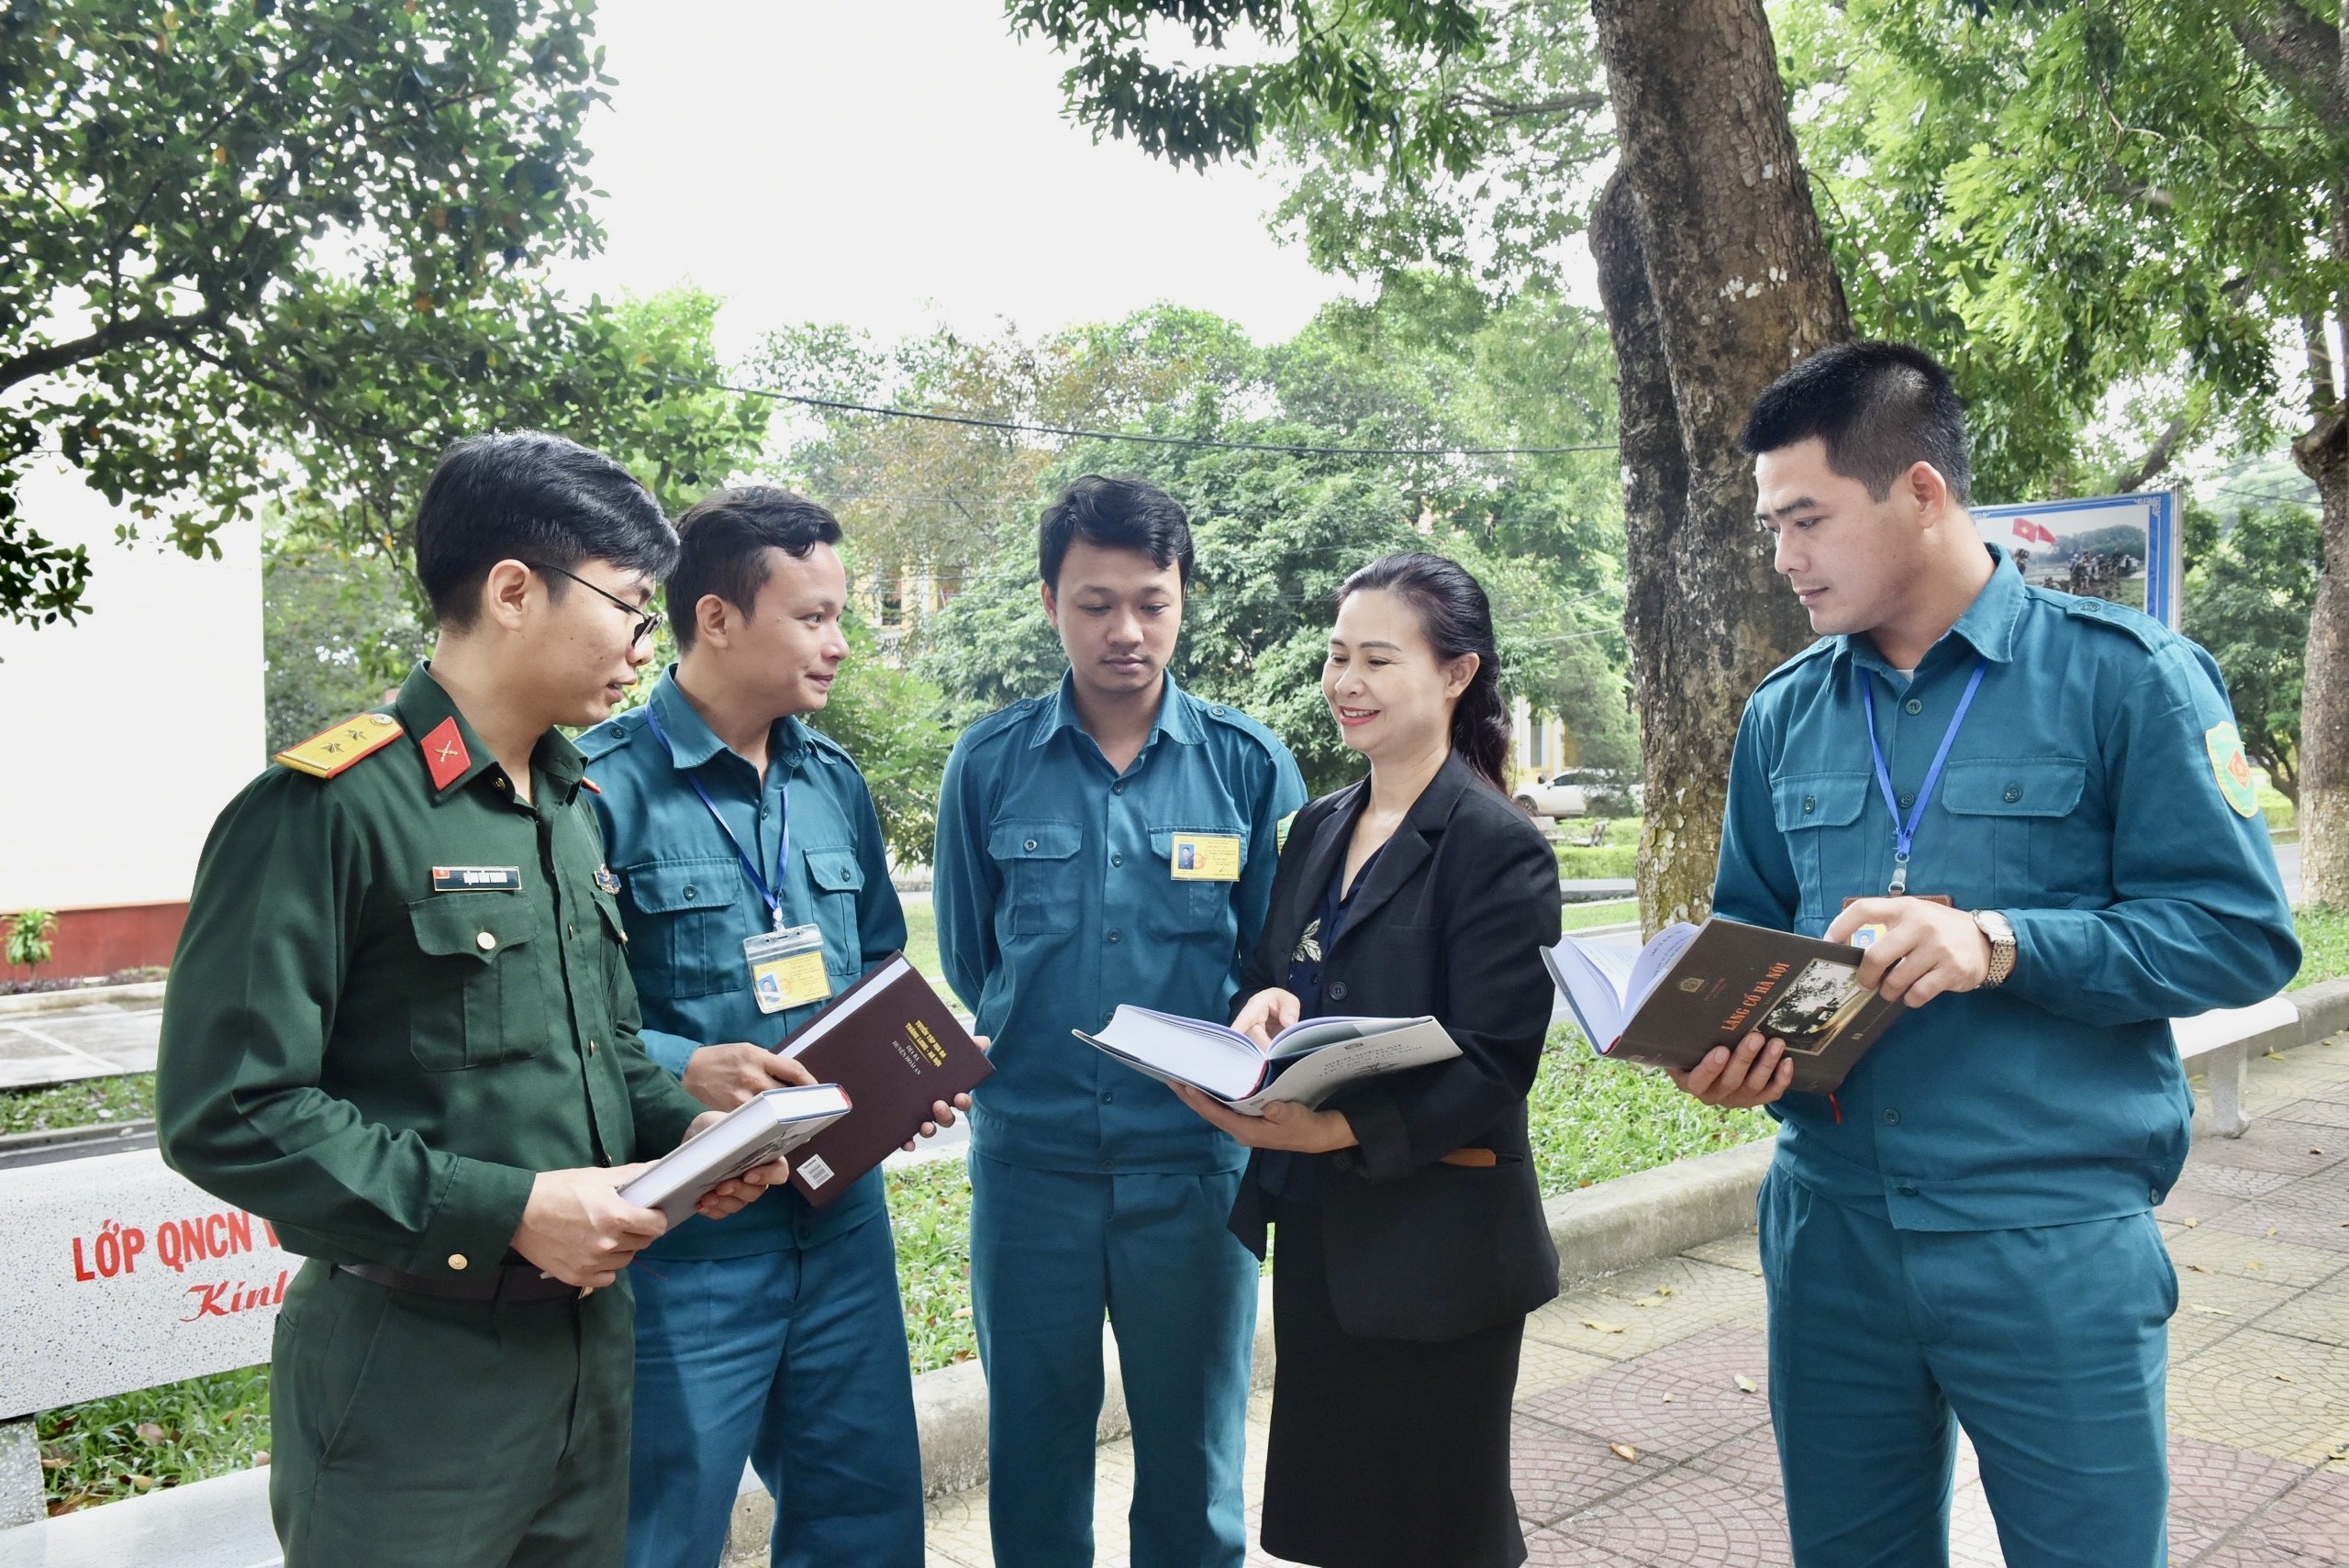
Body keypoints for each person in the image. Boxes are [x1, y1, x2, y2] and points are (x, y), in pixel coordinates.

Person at [1678, 340, 2299, 1567]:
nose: (1783, 557)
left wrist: (2000, 942)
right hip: (1833, 1231)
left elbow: (2242, 934)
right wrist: (1727, 1049)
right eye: (1771, 527)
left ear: (1919, 492)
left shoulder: (2132, 683)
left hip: (2048, 1231)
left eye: (1806, 519)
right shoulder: (1785, 714)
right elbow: (1748, 941)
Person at [157, 432, 790, 1568]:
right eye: (632, 607)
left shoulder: (568, 804)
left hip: (586, 1361)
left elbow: (599, 1050)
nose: (645, 645)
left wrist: (690, 1134)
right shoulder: (329, 809)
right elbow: (232, 1108)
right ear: (512, 589)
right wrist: (504, 1208)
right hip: (412, 1375)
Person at [580, 488, 967, 1568]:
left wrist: (912, 1075)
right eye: (812, 616)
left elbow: (882, 969)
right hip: (692, 1233)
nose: (839, 642)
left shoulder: (830, 782)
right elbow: (573, 1020)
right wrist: (684, 1067)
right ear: (715, 617)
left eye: (840, 613)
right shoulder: (600, 791)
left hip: (840, 1221)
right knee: (663, 1526)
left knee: (865, 1513)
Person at [932, 473, 1307, 1568]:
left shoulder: (1245, 761)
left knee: (1194, 1452)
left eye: (1152, 599)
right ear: (1051, 600)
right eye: (1095, 603)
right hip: (1031, 1164)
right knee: (1035, 1441)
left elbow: (1275, 959)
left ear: (1184, 597)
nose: (1126, 630)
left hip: (1192, 1165)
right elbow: (970, 954)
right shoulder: (990, 762)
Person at [1172, 551, 1563, 1568]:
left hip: (1441, 1241)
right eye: (1337, 655)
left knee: (1441, 1529)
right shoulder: (1320, 822)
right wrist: (1261, 1005)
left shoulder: (1495, 844)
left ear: (1455, 674)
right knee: (1340, 1524)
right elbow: (1278, 971)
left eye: (1377, 659)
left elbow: (1495, 1057)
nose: (1345, 680)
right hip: (1323, 1234)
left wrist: (1336, 1124)